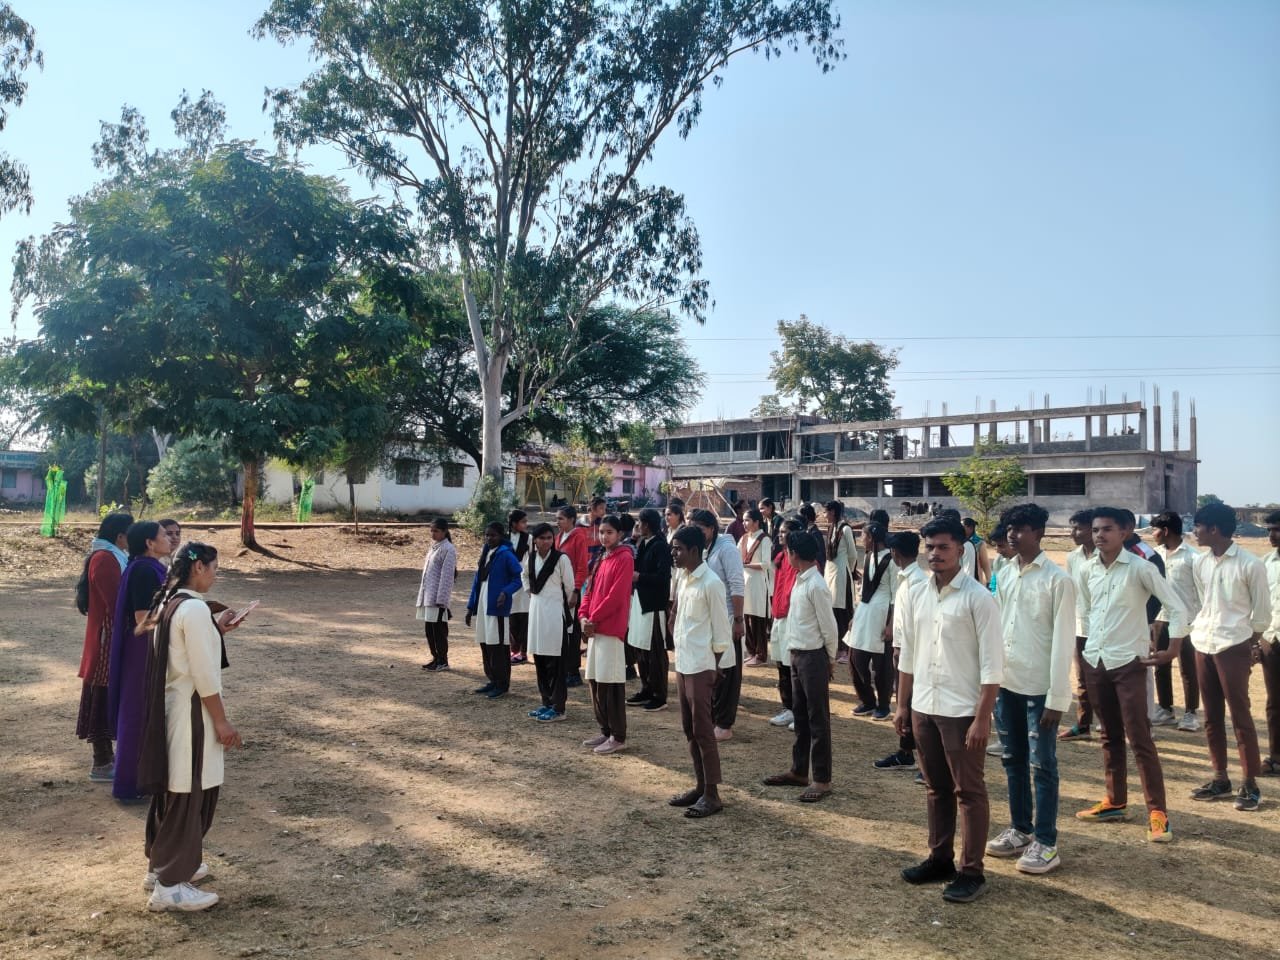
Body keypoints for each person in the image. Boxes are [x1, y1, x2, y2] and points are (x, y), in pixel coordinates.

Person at [896, 515, 1003, 903]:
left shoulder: (979, 598)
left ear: (961, 549)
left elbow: (993, 666)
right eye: (930, 547)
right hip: (924, 704)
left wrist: (981, 718)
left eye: (943, 547)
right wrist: (902, 706)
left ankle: (972, 870)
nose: (935, 554)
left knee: (969, 791)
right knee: (936, 788)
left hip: (961, 710)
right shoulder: (915, 592)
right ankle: (940, 857)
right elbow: (908, 652)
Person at [137, 541, 246, 912]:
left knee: (177, 789)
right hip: (192, 715)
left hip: (174, 711)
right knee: (190, 792)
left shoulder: (171, 605)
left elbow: (180, 654)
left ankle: (163, 865)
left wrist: (215, 628)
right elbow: (202, 674)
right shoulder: (194, 610)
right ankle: (170, 883)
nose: (216, 574)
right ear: (198, 566)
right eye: (215, 567)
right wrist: (221, 721)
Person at [1074, 506, 1189, 843]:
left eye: (1107, 529)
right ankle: (1115, 801)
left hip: (1129, 662)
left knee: (1140, 738)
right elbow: (1087, 611)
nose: (1099, 536)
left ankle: (1158, 812)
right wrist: (1086, 652)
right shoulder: (1086, 569)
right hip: (1096, 660)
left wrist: (1173, 648)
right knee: (1108, 735)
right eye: (1095, 530)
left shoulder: (1140, 567)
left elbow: (1176, 605)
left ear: (1123, 532)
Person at [986, 503, 1075, 875]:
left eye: (1021, 528)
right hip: (1008, 684)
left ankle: (1046, 841)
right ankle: (1020, 829)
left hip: (1040, 689)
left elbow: (1062, 642)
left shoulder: (1058, 580)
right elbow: (997, 627)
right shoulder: (1005, 572)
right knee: (1012, 760)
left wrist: (1056, 699)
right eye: (1010, 527)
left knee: (1043, 765)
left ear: (1039, 533)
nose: (1012, 533)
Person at [1186, 502, 1270, 812]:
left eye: (1198, 527)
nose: (1194, 532)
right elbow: (1202, 600)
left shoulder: (1250, 564)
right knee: (1211, 716)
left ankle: (1250, 783)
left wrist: (1251, 644)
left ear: (1214, 529)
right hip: (1204, 642)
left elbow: (1261, 613)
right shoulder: (1201, 563)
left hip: (1233, 644)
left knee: (1240, 715)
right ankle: (1220, 777)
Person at [763, 529, 839, 802]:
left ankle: (822, 778)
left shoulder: (816, 584)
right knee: (801, 717)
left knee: (818, 719)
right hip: (797, 653)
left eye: (788, 552)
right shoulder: (800, 579)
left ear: (795, 555)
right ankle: (798, 770)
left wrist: (829, 659)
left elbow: (829, 627)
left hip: (813, 656)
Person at [668, 525, 734, 818]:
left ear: (694, 550)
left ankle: (712, 793)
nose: (674, 554)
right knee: (689, 729)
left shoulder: (711, 583)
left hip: (702, 666)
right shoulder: (683, 578)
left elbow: (722, 631)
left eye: (679, 549)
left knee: (704, 731)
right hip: (684, 663)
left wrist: (715, 667)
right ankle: (699, 786)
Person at [107, 521, 171, 802]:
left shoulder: (148, 567)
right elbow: (142, 618)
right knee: (136, 714)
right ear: (149, 543)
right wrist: (179, 615)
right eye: (164, 535)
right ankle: (130, 783)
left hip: (147, 647)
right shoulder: (145, 570)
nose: (169, 539)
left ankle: (145, 777)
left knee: (145, 713)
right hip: (141, 649)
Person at [78, 511, 133, 783]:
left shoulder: (112, 556)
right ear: (121, 536)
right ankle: (101, 762)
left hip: (110, 637)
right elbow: (116, 604)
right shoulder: (105, 559)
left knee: (109, 696)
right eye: (131, 534)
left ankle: (107, 759)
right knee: (101, 698)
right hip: (106, 641)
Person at [688, 509, 746, 741]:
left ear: (711, 528)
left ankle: (724, 723)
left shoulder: (726, 548)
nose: (698, 533)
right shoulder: (704, 548)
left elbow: (736, 585)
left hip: (729, 618)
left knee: (728, 672)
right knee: (712, 671)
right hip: (710, 620)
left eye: (701, 529)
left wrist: (739, 620)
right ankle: (713, 717)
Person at [580, 515, 635, 755]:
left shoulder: (624, 558)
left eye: (609, 532)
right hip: (594, 628)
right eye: (601, 532)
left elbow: (616, 596)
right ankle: (605, 730)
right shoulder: (601, 558)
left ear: (620, 534)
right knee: (595, 680)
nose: (604, 536)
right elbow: (589, 591)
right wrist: (583, 616)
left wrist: (593, 619)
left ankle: (618, 735)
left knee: (611, 682)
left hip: (610, 628)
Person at [874, 531, 927, 773]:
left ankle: (922, 758)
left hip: (911, 651)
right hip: (900, 648)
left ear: (894, 553)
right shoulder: (904, 577)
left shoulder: (918, 582)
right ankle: (906, 752)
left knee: (912, 703)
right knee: (904, 701)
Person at [1149, 511, 1202, 731]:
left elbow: (1201, 592)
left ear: (1166, 530)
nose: (1153, 534)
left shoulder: (1192, 557)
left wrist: (1198, 620)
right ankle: (1165, 709)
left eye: (1155, 529)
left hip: (1187, 620)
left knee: (1188, 667)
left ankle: (1190, 713)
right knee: (1160, 664)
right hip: (1161, 618)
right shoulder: (1154, 555)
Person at [465, 522, 523, 700]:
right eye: (487, 535)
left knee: (498, 646)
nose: (489, 538)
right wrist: (470, 606)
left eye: (493, 535)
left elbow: (518, 577)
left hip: (496, 608)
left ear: (501, 536)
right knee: (485, 643)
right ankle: (492, 679)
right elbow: (477, 581)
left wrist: (505, 592)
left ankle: (502, 683)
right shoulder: (486, 552)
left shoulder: (506, 554)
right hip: (483, 605)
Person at [524, 522, 575, 722]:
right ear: (535, 540)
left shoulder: (561, 559)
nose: (546, 541)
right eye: (542, 538)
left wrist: (568, 606)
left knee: (556, 662)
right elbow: (524, 577)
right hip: (536, 611)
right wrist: (530, 593)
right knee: (540, 660)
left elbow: (570, 586)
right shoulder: (530, 558)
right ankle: (546, 701)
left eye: (549, 537)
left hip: (554, 613)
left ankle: (558, 706)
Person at [849, 521, 895, 720]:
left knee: (881, 665)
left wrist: (891, 624)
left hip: (882, 613)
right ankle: (867, 699)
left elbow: (896, 595)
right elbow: (863, 590)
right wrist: (855, 615)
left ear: (873, 539)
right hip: (865, 611)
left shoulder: (892, 561)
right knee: (856, 658)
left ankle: (883, 704)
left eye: (864, 536)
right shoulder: (867, 557)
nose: (861, 540)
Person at [628, 509, 673, 711]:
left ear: (647, 524)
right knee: (640, 648)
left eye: (640, 522)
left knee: (655, 650)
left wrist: (640, 577)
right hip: (640, 602)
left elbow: (664, 578)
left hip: (654, 605)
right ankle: (646, 687)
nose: (638, 526)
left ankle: (659, 694)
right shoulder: (643, 543)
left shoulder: (660, 546)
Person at [1059, 509, 1097, 742]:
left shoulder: (1108, 556)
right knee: (1083, 679)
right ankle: (1084, 725)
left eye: (1078, 528)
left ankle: (1111, 722)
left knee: (1105, 678)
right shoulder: (1073, 557)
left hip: (1106, 627)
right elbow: (1072, 591)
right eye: (1072, 528)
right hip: (1081, 625)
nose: (1073, 533)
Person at [767, 519, 804, 729]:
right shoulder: (781, 557)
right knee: (781, 663)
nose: (780, 535)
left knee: (793, 667)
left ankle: (798, 711)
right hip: (779, 615)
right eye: (779, 532)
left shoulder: (801, 560)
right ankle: (787, 707)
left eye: (785, 532)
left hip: (791, 617)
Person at [416, 518, 457, 672]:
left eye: (436, 531)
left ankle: (443, 660)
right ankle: (435, 657)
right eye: (431, 530)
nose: (433, 534)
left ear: (445, 531)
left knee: (439, 631)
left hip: (437, 599)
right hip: (428, 597)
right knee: (430, 631)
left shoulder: (448, 549)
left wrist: (442, 600)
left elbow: (447, 577)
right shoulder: (434, 547)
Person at [556, 505, 590, 687]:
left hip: (571, 590)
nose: (558, 522)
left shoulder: (578, 537)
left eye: (561, 518)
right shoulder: (559, 537)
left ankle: (573, 670)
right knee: (562, 630)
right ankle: (564, 666)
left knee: (573, 630)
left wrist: (576, 591)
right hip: (558, 590)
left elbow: (582, 567)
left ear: (571, 520)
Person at [740, 509, 774, 667]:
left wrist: (746, 565)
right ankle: (751, 651)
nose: (744, 523)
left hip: (759, 582)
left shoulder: (765, 539)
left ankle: (761, 654)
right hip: (746, 581)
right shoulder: (745, 538)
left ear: (756, 522)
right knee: (747, 617)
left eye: (747, 520)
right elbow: (736, 553)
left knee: (758, 619)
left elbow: (766, 564)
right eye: (744, 520)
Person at [824, 501, 858, 657]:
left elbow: (853, 554)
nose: (824, 516)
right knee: (832, 609)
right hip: (830, 572)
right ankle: (836, 646)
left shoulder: (845, 529)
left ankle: (845, 649)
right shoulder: (832, 528)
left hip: (842, 574)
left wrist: (849, 571)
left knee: (842, 611)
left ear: (833, 512)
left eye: (826, 512)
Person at [1262, 510, 1280, 777]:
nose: (1271, 535)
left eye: (1277, 529)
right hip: (1272, 640)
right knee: (1274, 702)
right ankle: (1276, 756)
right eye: (1269, 530)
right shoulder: (1265, 563)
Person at [508, 510, 532, 665]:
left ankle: (523, 652)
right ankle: (513, 650)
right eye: (522, 521)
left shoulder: (528, 538)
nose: (525, 524)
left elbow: (531, 559)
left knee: (524, 617)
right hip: (508, 581)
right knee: (511, 618)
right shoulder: (503, 538)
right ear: (513, 523)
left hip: (523, 581)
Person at [963, 517, 992, 586]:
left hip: (975, 581)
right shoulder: (958, 542)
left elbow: (985, 564)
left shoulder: (979, 543)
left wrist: (989, 581)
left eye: (962, 526)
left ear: (970, 528)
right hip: (961, 581)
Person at [986, 524, 1015, 595]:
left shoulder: (1028, 565)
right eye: (996, 545)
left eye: (1001, 546)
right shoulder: (999, 561)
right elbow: (993, 587)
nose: (997, 551)